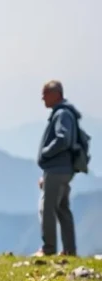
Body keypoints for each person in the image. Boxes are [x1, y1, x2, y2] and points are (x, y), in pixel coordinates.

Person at [36, 80, 82, 256]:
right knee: (63, 208)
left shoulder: (62, 114)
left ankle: (48, 248)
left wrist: (46, 153)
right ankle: (70, 249)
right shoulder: (65, 113)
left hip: (56, 170)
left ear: (56, 94)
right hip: (64, 169)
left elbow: (63, 138)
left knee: (47, 208)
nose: (42, 98)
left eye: (45, 93)